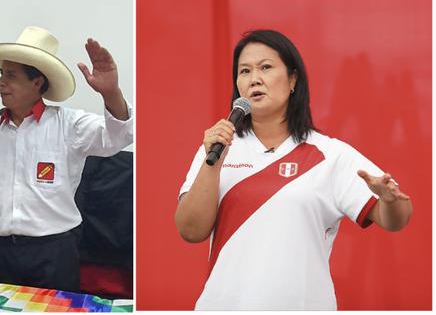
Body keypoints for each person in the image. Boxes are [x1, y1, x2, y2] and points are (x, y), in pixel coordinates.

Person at [175, 29, 412, 311]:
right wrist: (213, 163)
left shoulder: (329, 154)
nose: (254, 79)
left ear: (292, 80)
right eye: (244, 71)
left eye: (266, 67)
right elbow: (190, 230)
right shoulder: (216, 148)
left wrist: (388, 199)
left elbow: (396, 219)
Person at [0, 26, 133, 292]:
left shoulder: (68, 124)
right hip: (3, 250)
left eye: (11, 75)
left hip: (55, 251)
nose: (0, 82)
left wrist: (111, 93)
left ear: (37, 82)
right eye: (1, 73)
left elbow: (118, 136)